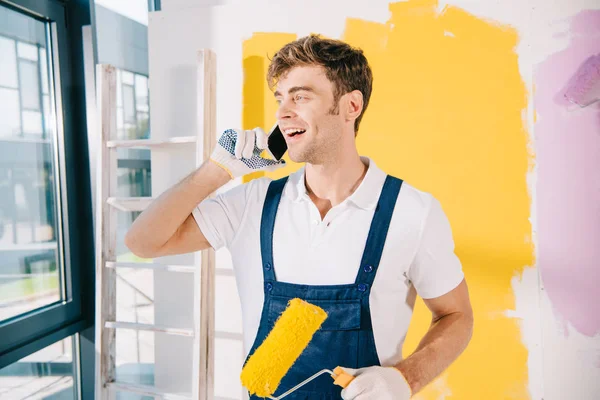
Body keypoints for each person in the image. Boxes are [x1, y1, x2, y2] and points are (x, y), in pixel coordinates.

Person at [125, 34, 473, 400]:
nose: (282, 112)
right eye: (281, 98)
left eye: (301, 96)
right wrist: (217, 171)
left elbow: (456, 316)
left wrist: (405, 379)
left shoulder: (411, 211)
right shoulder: (253, 202)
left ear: (350, 106)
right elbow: (142, 242)